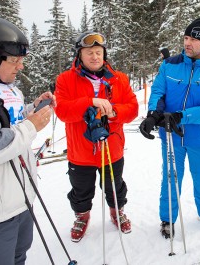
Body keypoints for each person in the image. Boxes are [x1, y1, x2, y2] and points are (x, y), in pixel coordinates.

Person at [0, 17, 55, 264]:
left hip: (20, 201)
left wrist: (30, 111)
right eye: (14, 60)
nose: (21, 67)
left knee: (19, 258)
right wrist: (31, 126)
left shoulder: (1, 84)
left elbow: (5, 122)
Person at [139, 17, 200, 238]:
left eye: (194, 39)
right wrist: (153, 115)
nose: (187, 43)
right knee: (171, 176)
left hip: (199, 135)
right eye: (186, 37)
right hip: (170, 135)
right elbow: (158, 90)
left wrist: (181, 116)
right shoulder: (170, 64)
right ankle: (167, 217)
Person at [55, 31, 138, 242]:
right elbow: (62, 111)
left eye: (98, 52)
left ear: (104, 54)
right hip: (81, 150)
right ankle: (82, 216)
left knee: (114, 185)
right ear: (80, 55)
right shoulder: (65, 79)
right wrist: (88, 102)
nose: (95, 57)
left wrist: (113, 112)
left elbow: (133, 109)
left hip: (112, 148)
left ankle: (116, 211)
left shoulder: (119, 78)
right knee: (81, 190)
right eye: (89, 52)